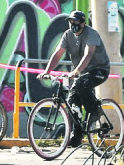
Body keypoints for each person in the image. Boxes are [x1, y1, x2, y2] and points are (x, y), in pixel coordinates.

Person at [42, 10, 111, 147]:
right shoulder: (67, 35)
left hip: (99, 70)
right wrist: (46, 71)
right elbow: (57, 54)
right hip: (82, 73)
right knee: (72, 100)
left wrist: (75, 71)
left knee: (81, 84)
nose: (73, 25)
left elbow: (88, 54)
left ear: (83, 23)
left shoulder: (91, 34)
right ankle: (77, 136)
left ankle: (95, 111)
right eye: (71, 22)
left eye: (76, 22)